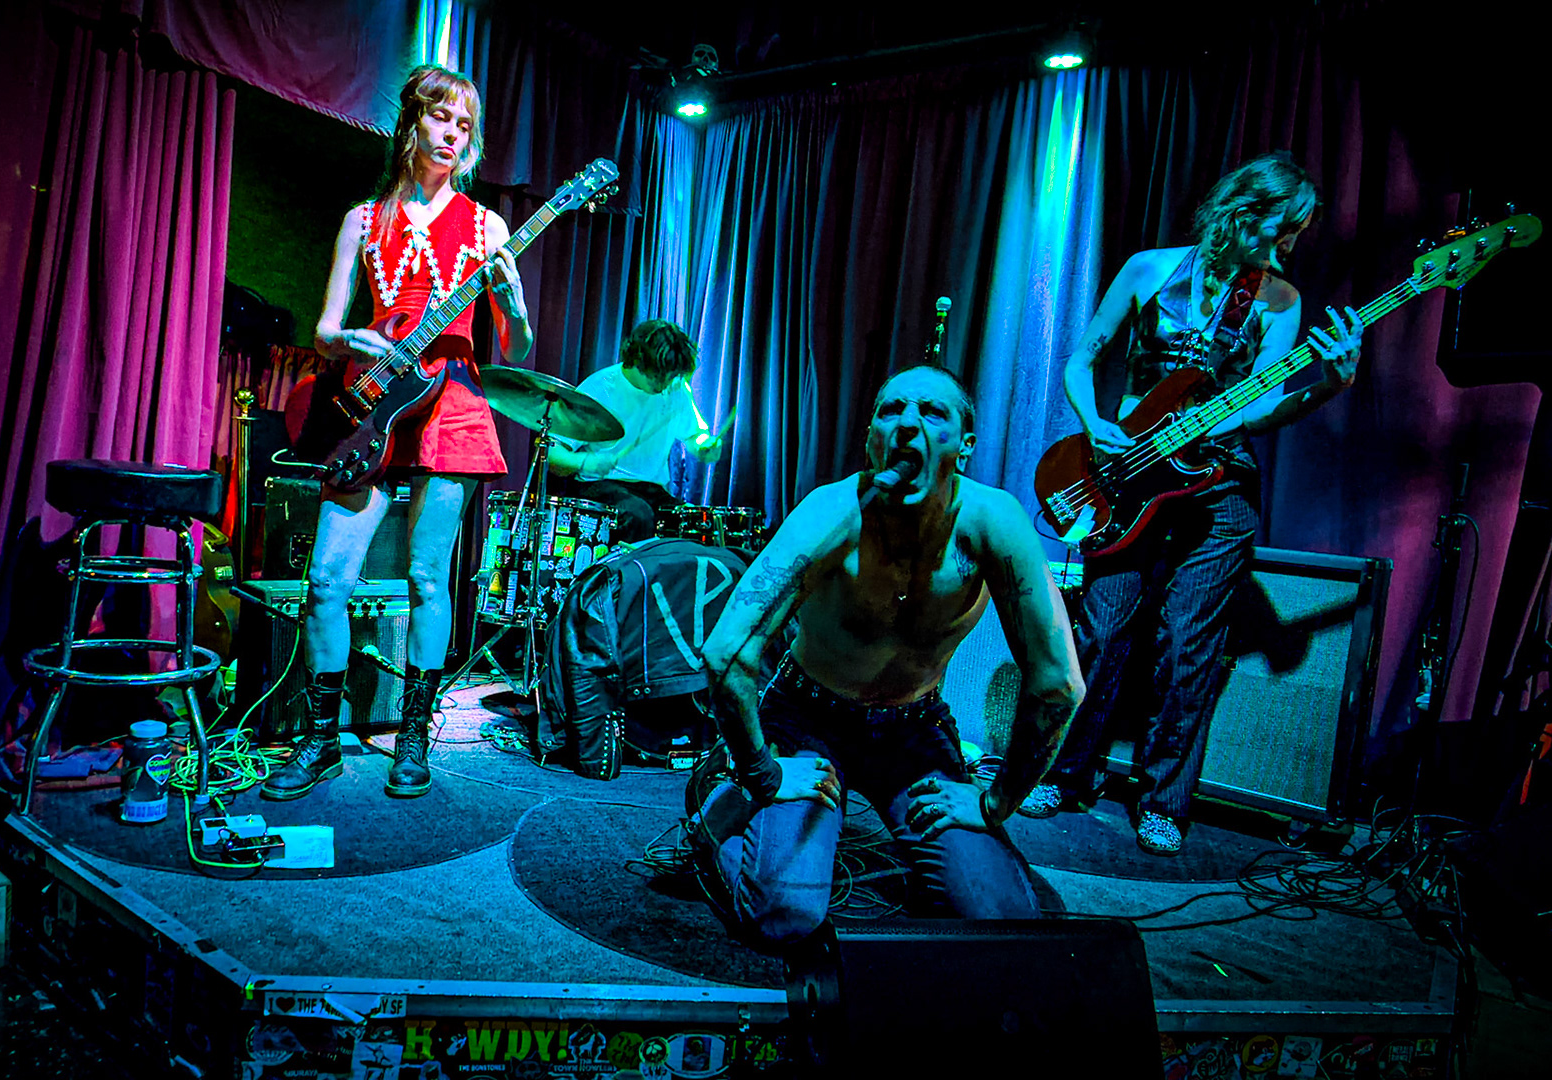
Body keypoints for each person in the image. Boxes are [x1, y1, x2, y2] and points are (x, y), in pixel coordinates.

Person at [1017, 153, 1364, 854]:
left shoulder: (1278, 301)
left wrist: (1329, 385)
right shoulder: (1149, 269)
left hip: (1219, 482)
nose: (1290, 242)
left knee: (1189, 641)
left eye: (1298, 231)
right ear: (1242, 210)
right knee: (1102, 629)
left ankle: (1164, 801)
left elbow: (1259, 407)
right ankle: (1064, 771)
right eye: (1283, 226)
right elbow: (1081, 361)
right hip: (1126, 471)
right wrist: (1096, 423)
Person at [694, 365, 1085, 948]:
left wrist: (997, 802)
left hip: (913, 730)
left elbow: (1059, 684)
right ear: (871, 439)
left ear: (965, 446)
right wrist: (763, 773)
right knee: (785, 915)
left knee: (1002, 920)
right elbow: (726, 652)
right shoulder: (832, 512)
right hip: (807, 718)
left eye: (932, 412)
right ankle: (717, 812)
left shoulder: (993, 522)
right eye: (891, 410)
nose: (908, 424)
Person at [261, 65, 532, 801]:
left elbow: (518, 348)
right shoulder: (361, 219)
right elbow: (324, 329)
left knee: (426, 578)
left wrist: (512, 301)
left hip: (453, 403)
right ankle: (319, 739)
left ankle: (413, 736)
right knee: (326, 580)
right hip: (374, 402)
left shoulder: (487, 226)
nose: (454, 134)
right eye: (443, 117)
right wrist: (352, 340)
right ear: (412, 123)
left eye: (466, 125)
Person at [544, 319, 724, 542]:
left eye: (670, 376)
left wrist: (705, 445)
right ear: (638, 359)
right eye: (658, 375)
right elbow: (551, 452)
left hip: (652, 490)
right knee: (637, 516)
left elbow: (695, 435)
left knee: (697, 523)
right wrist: (586, 462)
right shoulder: (600, 388)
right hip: (600, 486)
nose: (665, 385)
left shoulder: (676, 388)